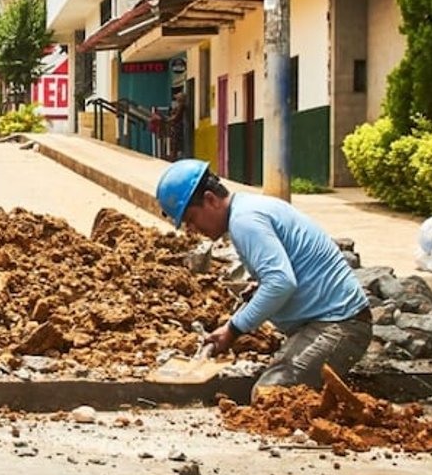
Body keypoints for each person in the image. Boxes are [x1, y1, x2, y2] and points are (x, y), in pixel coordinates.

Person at [155, 159, 371, 397]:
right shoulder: (248, 209)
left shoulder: (245, 221)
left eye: (191, 219)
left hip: (339, 325)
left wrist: (233, 329)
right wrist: (260, 288)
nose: (192, 230)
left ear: (210, 199)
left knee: (270, 395)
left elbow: (281, 283)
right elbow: (285, 272)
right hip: (329, 321)